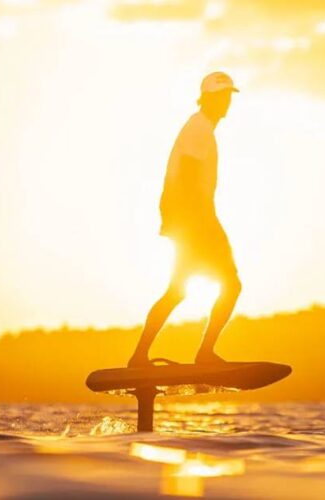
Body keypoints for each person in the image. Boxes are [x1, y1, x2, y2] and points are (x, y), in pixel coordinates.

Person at [127, 71, 242, 367]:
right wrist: (201, 226)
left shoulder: (202, 128)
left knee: (178, 291)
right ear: (208, 99)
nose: (226, 101)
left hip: (190, 219)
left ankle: (139, 357)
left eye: (229, 95)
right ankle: (203, 354)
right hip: (195, 219)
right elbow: (188, 178)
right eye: (221, 96)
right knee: (230, 285)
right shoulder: (199, 129)